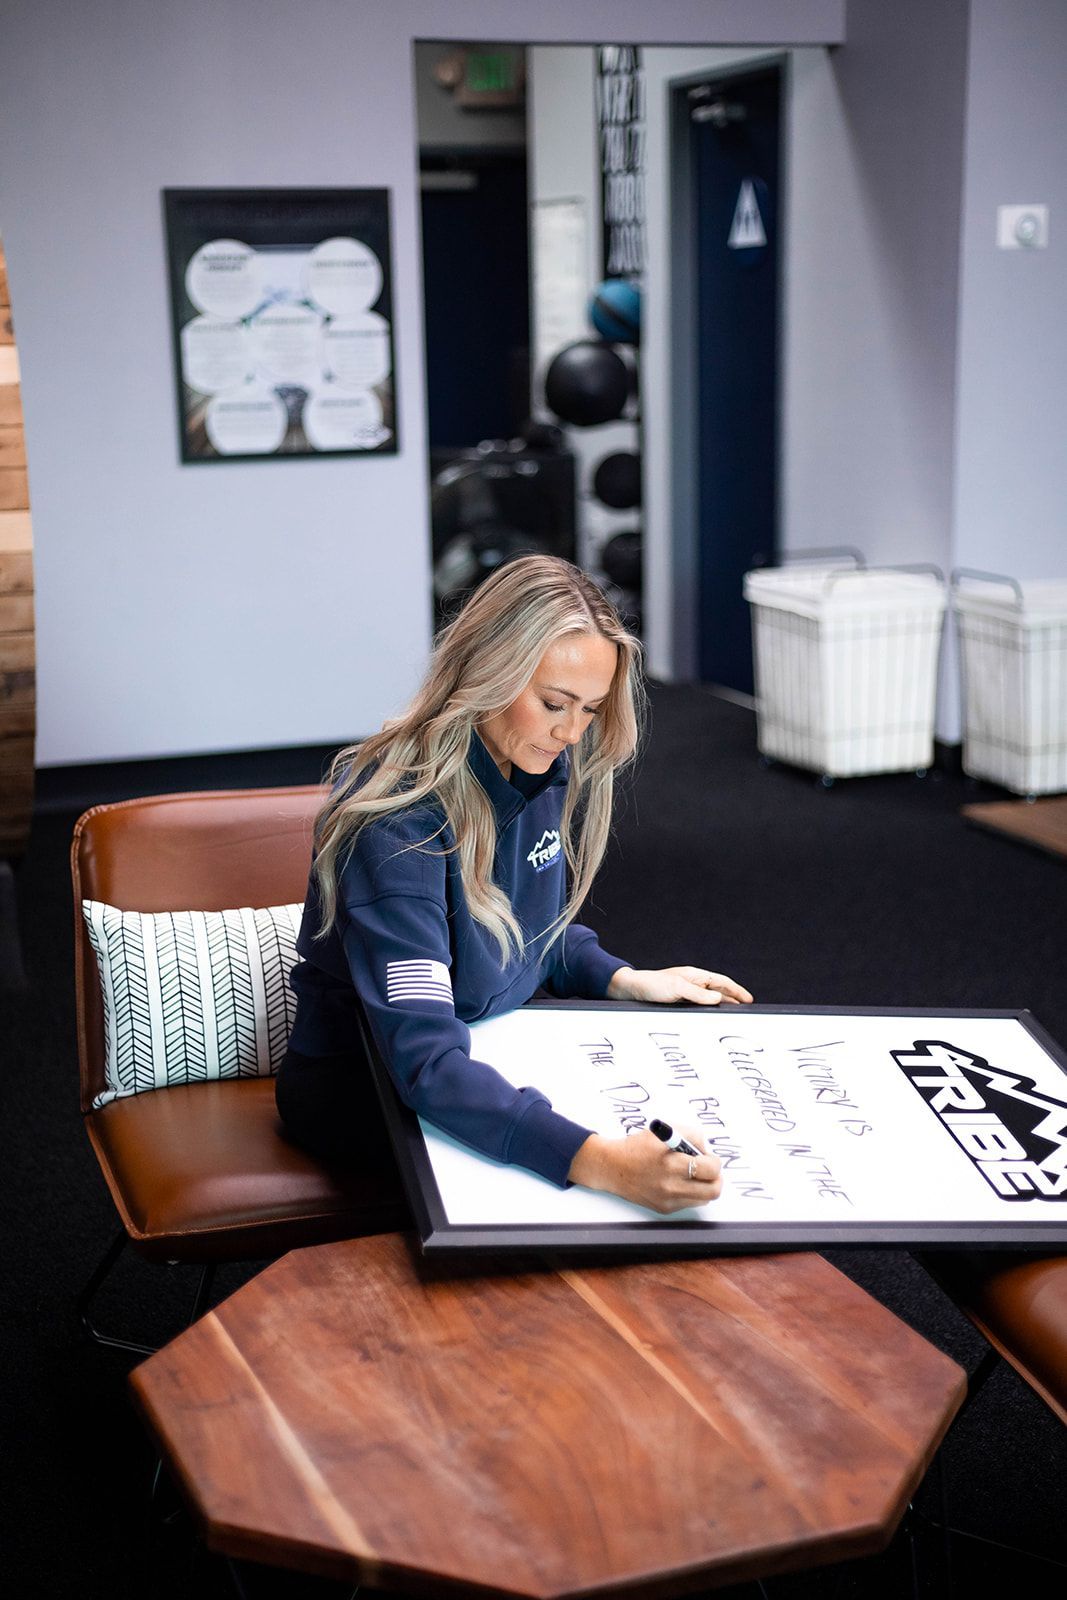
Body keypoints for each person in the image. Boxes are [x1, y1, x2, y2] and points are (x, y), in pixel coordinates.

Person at [276, 555, 752, 1213]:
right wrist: (601, 1163)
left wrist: (623, 978)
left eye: (589, 709)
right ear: (487, 673)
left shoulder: (530, 762)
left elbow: (527, 930)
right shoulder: (397, 828)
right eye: (553, 704)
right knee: (594, 1198)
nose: (571, 732)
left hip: (482, 1044)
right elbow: (424, 1065)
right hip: (365, 1088)